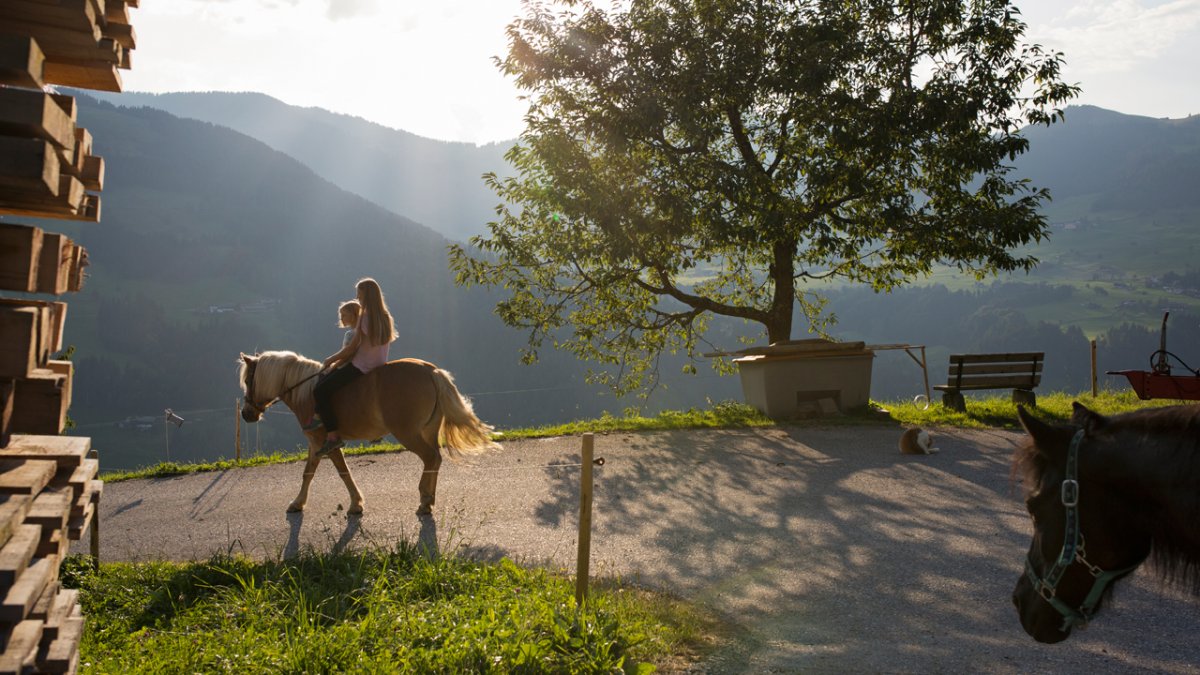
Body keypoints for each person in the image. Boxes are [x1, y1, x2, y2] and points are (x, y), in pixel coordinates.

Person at [311, 278, 397, 456]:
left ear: (366, 295)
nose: (357, 298)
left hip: (362, 366)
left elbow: (352, 348)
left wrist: (330, 360)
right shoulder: (386, 316)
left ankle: (333, 436)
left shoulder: (364, 318)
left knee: (320, 390)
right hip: (380, 365)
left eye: (359, 294)